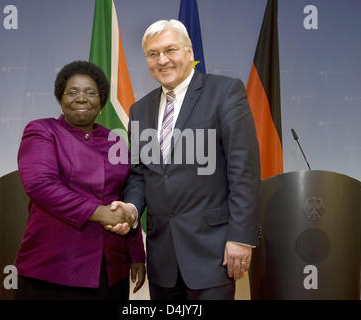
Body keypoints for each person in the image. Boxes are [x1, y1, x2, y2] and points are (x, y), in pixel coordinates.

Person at [111, 20, 260, 300]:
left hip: (214, 252)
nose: (162, 60)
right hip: (161, 256)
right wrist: (131, 208)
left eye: (170, 50)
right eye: (153, 54)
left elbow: (244, 171)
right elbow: (140, 174)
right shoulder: (139, 110)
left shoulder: (225, 92)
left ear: (189, 52)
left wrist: (241, 237)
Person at [13, 61, 146, 300]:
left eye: (90, 92)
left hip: (110, 270)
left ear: (102, 102)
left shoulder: (114, 140)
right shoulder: (42, 130)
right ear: (60, 99)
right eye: (72, 92)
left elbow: (124, 196)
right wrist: (100, 213)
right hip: (53, 270)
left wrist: (136, 255)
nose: (81, 98)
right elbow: (41, 185)